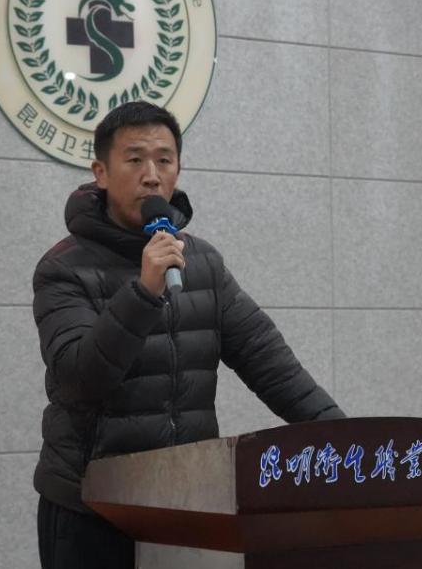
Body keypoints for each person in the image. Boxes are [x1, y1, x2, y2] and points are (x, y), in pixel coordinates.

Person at [32, 102, 344, 568]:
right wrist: (143, 292)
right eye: (134, 159)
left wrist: (346, 438)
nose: (151, 176)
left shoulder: (202, 264)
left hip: (183, 502)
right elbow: (81, 380)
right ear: (101, 173)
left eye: (164, 160)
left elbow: (269, 362)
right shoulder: (63, 268)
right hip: (90, 510)